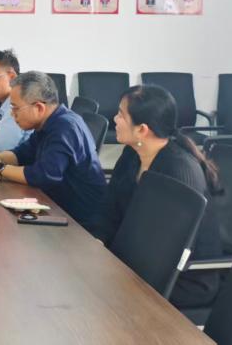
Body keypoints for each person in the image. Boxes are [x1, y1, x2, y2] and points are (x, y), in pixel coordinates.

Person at [94, 85, 223, 308]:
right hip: (136, 262)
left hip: (182, 279)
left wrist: (110, 266)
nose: (114, 119)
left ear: (142, 130)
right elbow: (110, 209)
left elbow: (166, 248)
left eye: (121, 115)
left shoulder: (178, 171)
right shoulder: (132, 154)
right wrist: (97, 241)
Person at [0, 72, 106, 229]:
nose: (12, 114)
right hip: (54, 205)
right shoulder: (47, 122)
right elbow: (21, 154)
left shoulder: (65, 128)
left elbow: (43, 176)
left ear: (39, 108)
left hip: (79, 221)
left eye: (15, 108)